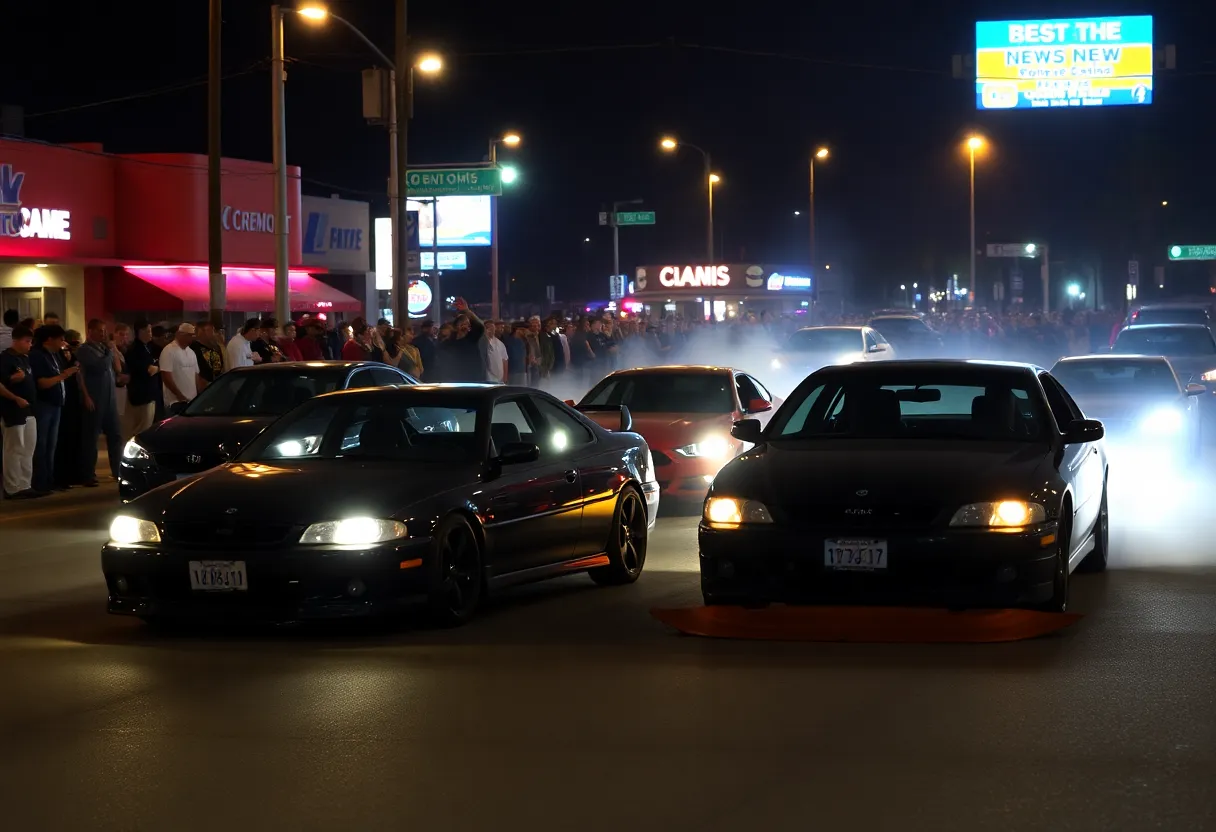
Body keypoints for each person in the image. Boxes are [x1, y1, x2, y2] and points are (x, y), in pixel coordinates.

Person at [29, 325, 78, 494]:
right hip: (44, 405)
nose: (62, 342)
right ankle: (40, 482)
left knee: (52, 445)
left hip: (56, 404)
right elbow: (42, 383)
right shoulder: (37, 355)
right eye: (60, 338)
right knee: (42, 444)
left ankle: (50, 480)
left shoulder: (54, 355)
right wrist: (64, 375)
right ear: (49, 339)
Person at [77, 319, 125, 486]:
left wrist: (113, 350)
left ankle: (118, 471)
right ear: (89, 331)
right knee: (91, 438)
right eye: (98, 330)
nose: (102, 333)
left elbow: (117, 369)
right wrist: (110, 353)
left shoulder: (105, 348)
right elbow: (100, 367)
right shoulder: (84, 350)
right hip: (95, 398)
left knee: (116, 436)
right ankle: (87, 474)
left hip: (110, 399)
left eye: (104, 330)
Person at [0, 324, 39, 498]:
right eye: (27, 341)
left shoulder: (24, 358)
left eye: (31, 342)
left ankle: (25, 484)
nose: (29, 345)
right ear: (15, 340)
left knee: (28, 447)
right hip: (12, 409)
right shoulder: (5, 358)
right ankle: (12, 487)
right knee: (13, 448)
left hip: (29, 408)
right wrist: (14, 396)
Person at [123, 320, 159, 438]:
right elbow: (149, 370)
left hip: (148, 394)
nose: (150, 334)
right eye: (148, 331)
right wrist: (157, 367)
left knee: (145, 426)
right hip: (141, 395)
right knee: (141, 429)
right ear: (141, 332)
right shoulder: (136, 350)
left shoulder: (148, 347)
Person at [159, 323, 203, 413]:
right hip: (175, 402)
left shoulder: (191, 352)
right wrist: (179, 396)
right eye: (189, 335)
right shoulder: (168, 351)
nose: (192, 338)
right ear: (180, 335)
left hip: (191, 402)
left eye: (192, 335)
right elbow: (166, 376)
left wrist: (199, 396)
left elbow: (196, 375)